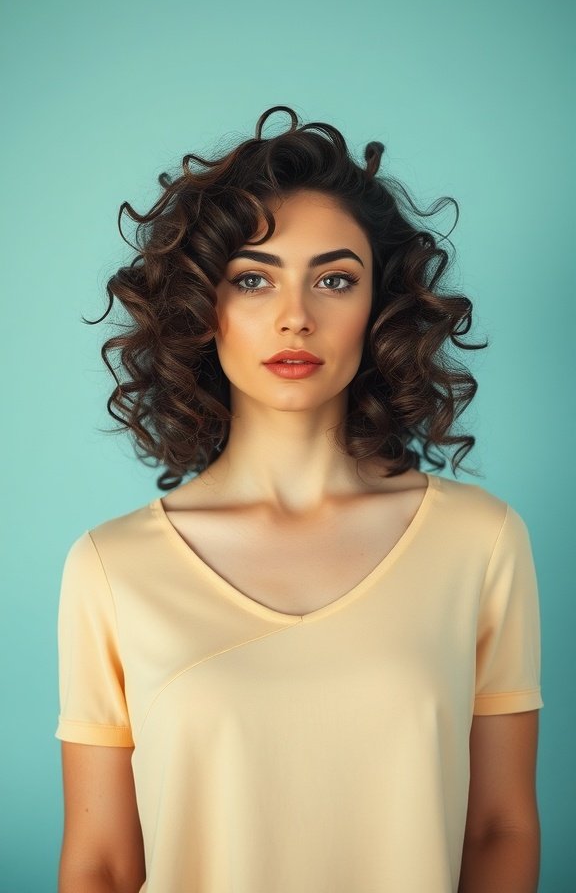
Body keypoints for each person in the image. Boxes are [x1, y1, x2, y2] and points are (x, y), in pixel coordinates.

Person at [55, 105, 543, 893]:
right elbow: (102, 863)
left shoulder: (481, 543)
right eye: (253, 279)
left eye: (334, 280)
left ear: (379, 306)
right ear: (202, 309)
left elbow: (499, 828)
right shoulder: (110, 568)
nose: (295, 317)